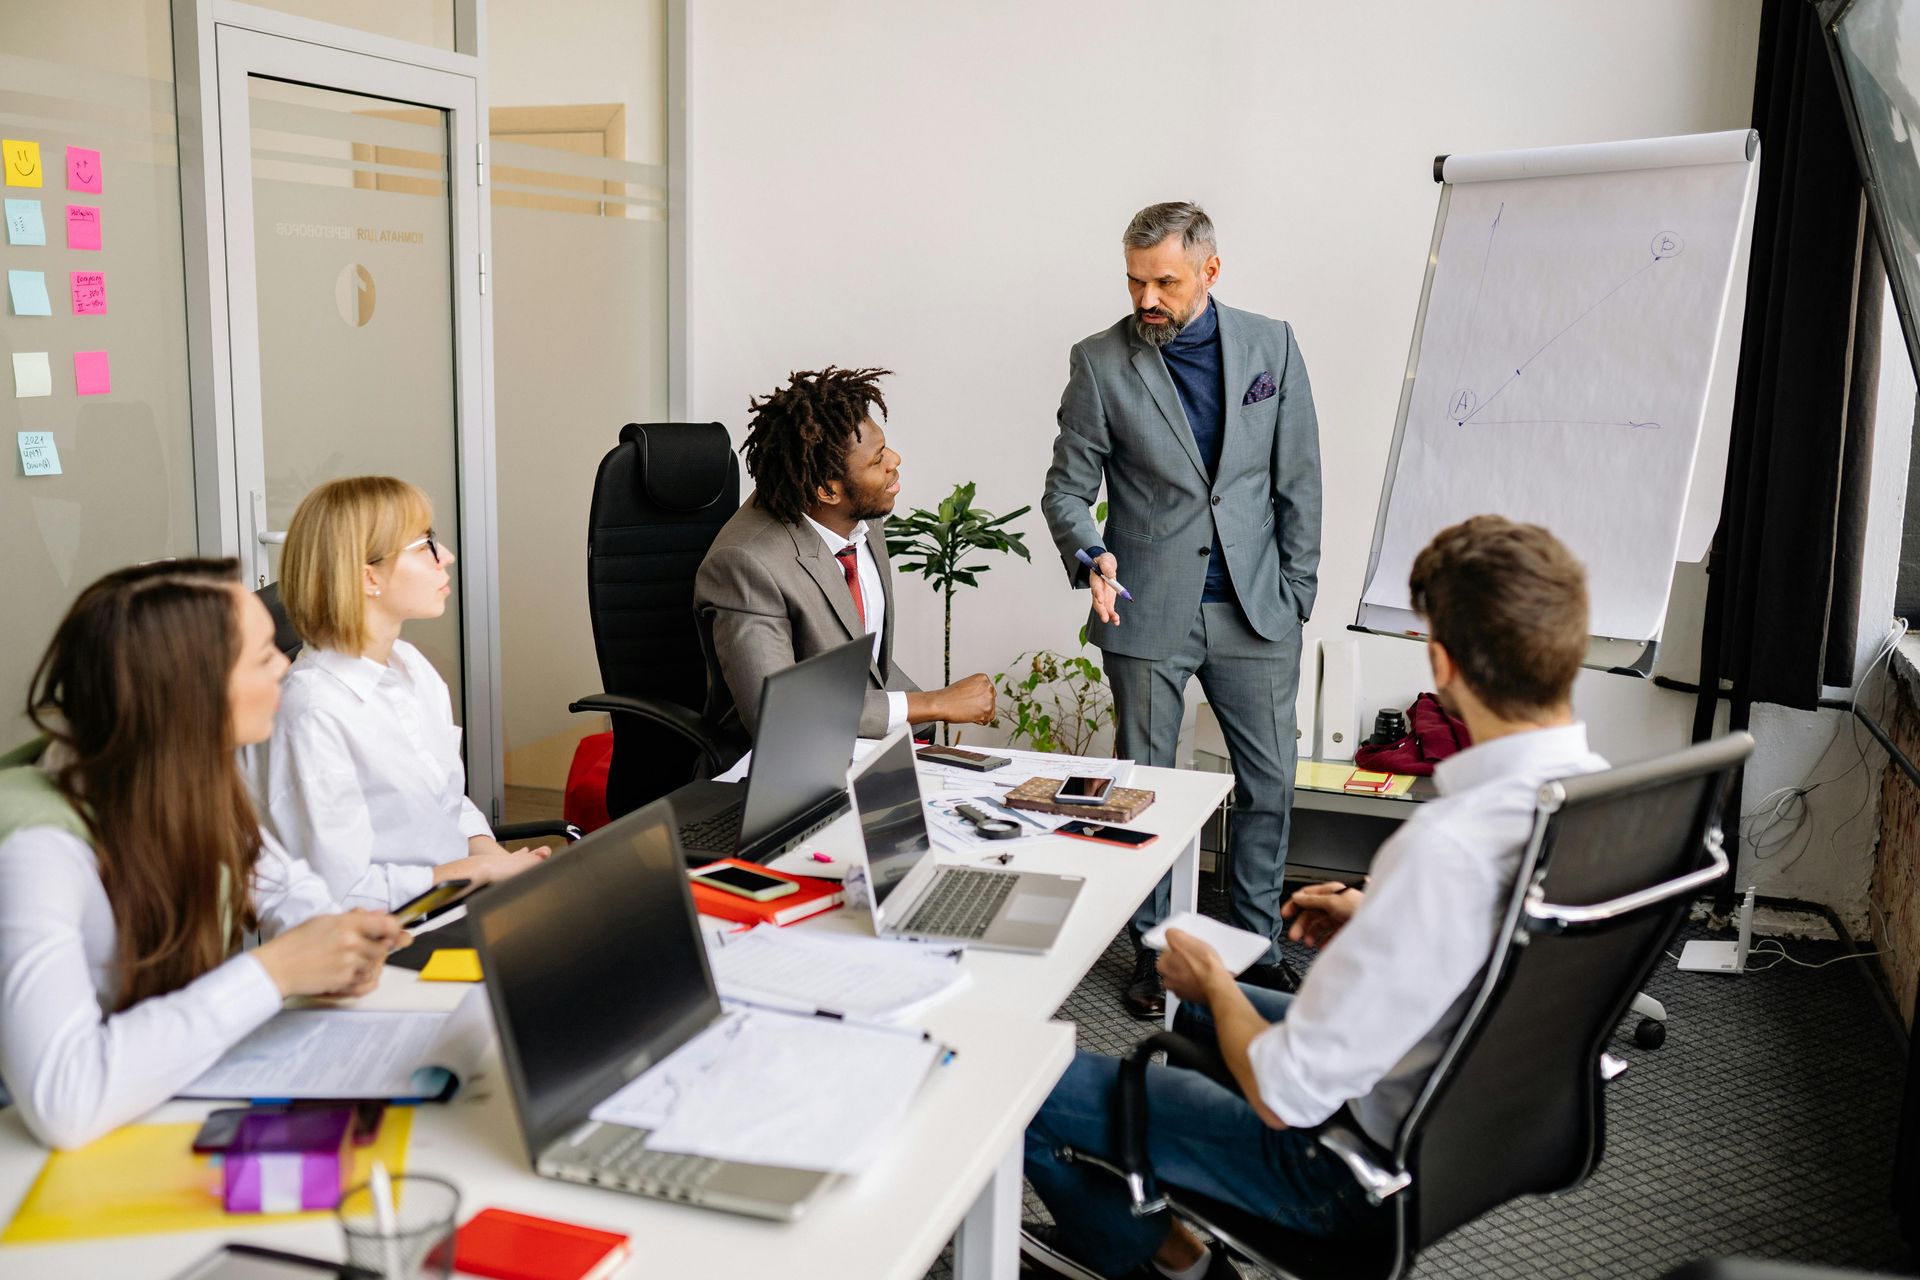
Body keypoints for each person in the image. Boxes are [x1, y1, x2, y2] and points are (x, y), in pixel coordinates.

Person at [1020, 516, 1607, 1280]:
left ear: (1442, 661)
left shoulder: (1445, 846)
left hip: (1340, 1172)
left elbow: (1279, 1092)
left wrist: (1218, 983)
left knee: (1017, 1085)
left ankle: (1175, 1260)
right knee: (1198, 1018)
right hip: (1475, 1128)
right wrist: (1386, 924)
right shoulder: (1602, 800)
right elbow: (1520, 954)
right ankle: (1179, 1178)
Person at [0, 560, 407, 1149]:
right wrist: (278, 970)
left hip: (140, 1105)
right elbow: (67, 1100)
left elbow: (282, 884)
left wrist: (335, 943)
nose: (286, 668)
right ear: (193, 691)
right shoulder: (37, 849)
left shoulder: (178, 776)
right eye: (265, 655)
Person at [1042, 202, 1322, 1019]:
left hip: (1257, 607)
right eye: (1136, 281)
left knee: (1268, 786)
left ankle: (1257, 948)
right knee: (1151, 794)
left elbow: (1297, 479)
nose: (1147, 299)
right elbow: (1067, 488)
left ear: (1210, 270)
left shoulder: (1273, 345)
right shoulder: (1099, 362)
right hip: (1147, 607)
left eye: (1165, 280)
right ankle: (1160, 955)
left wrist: (1298, 593)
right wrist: (1089, 552)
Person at [250, 477, 546, 911]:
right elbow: (342, 894)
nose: (446, 557)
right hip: (385, 940)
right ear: (368, 576)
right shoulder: (313, 713)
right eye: (425, 544)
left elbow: (446, 804)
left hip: (457, 905)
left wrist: (502, 867)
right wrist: (476, 872)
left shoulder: (412, 667)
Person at [696, 365, 997, 738]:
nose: (895, 461)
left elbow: (869, 666)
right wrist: (935, 704)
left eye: (885, 448)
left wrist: (925, 727)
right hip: (779, 770)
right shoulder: (747, 564)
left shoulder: (862, 516)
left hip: (861, 751)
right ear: (827, 490)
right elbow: (776, 713)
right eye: (877, 460)